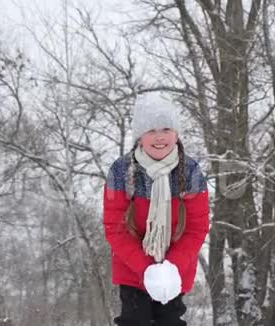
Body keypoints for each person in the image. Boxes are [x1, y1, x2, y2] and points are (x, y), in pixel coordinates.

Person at [103, 93, 210, 326]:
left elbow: (197, 227)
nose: (159, 137)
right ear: (140, 136)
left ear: (176, 133)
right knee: (135, 320)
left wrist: (170, 268)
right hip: (132, 270)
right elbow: (115, 228)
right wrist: (145, 269)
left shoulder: (190, 172)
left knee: (169, 321)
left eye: (166, 129)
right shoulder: (121, 171)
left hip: (173, 272)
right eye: (151, 130)